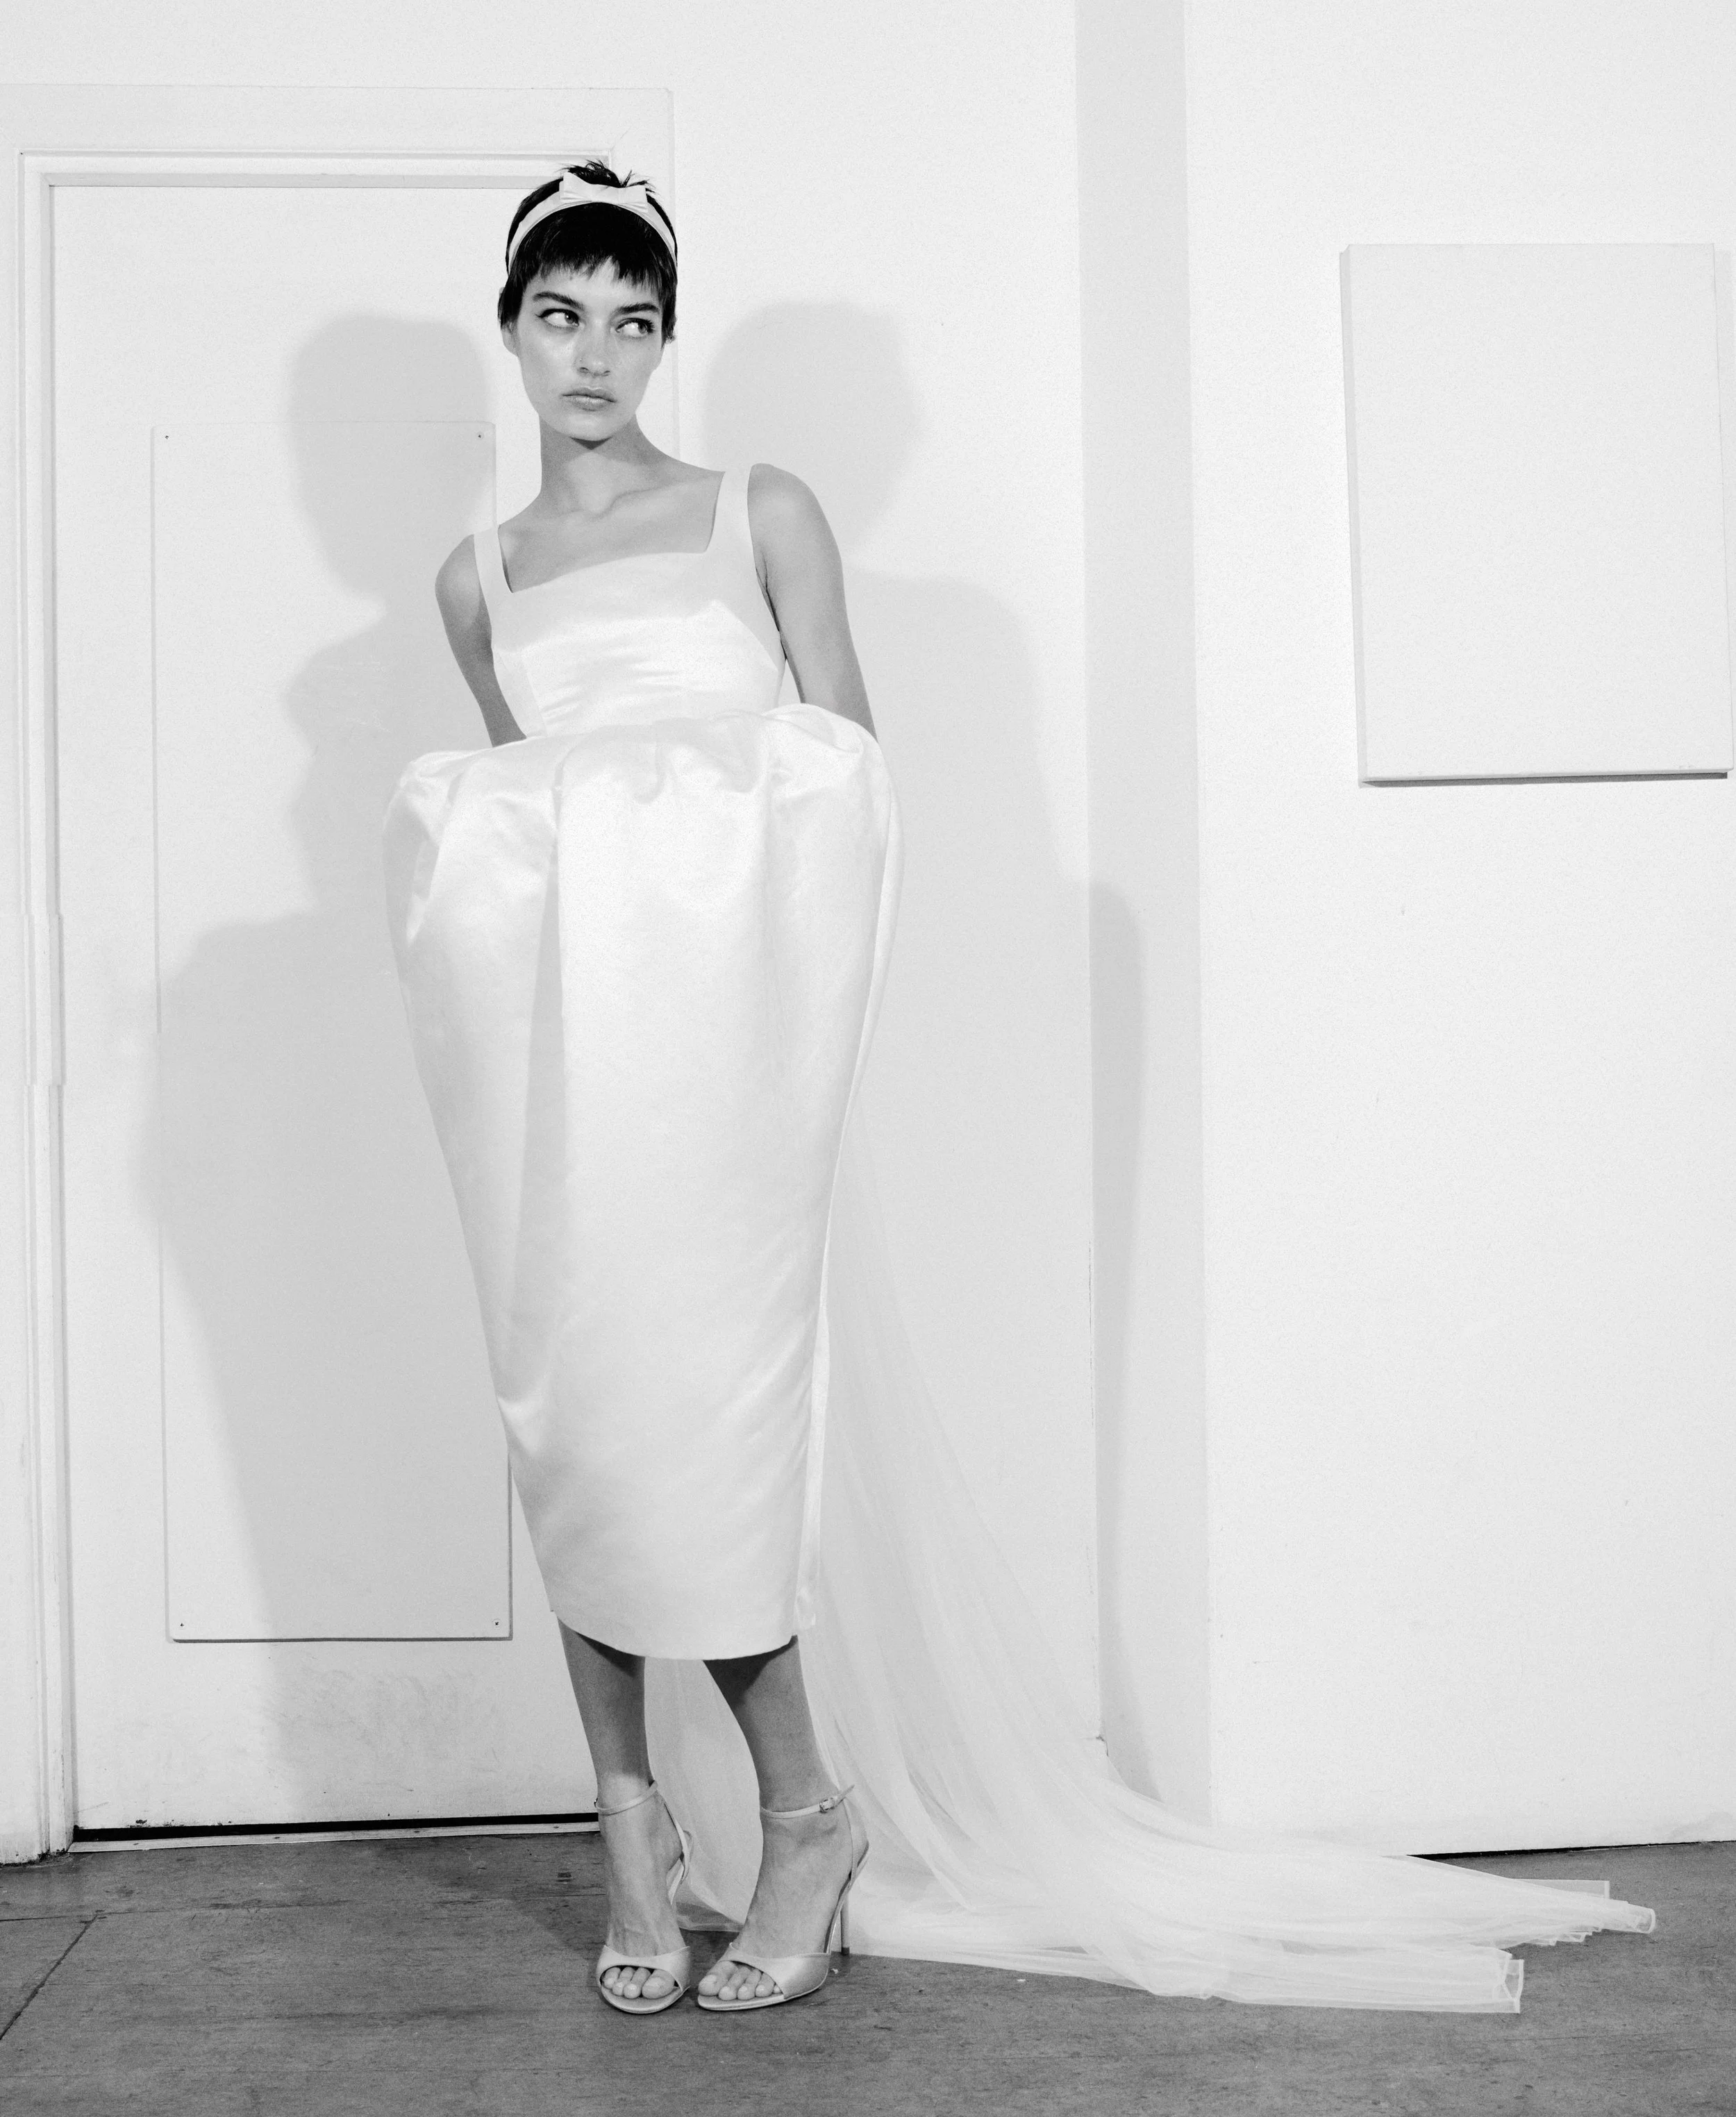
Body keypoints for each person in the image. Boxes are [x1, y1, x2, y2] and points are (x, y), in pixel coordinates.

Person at [383, 162, 1655, 2020]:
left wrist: (707, 861)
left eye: (634, 317)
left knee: (710, 1431)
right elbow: (531, 838)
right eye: (562, 314)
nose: (597, 353)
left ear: (668, 334)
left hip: (724, 1060)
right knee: (569, 1408)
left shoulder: (760, 511)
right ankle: (632, 1821)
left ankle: (807, 1812)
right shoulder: (473, 579)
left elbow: (845, 781)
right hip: (568, 1063)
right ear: (508, 328)